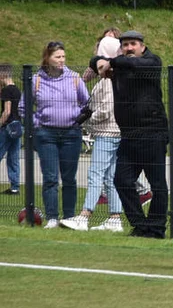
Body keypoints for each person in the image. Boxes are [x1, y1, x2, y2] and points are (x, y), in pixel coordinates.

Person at [92, 30, 169, 238]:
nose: (129, 48)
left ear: (142, 46)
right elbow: (94, 60)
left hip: (153, 132)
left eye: (133, 44)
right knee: (122, 180)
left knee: (158, 184)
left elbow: (136, 64)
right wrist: (100, 62)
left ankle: (156, 228)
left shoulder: (152, 61)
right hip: (128, 135)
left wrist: (112, 62)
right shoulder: (120, 64)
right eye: (125, 45)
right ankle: (140, 225)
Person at [20, 41, 89, 228]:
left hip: (71, 135)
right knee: (50, 178)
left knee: (69, 178)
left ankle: (68, 217)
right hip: (46, 135)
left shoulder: (74, 78)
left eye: (63, 57)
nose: (61, 60)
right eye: (57, 57)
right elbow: (23, 107)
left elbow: (86, 103)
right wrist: (37, 124)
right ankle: (51, 217)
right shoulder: (36, 80)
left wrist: (78, 120)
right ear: (47, 58)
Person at [59, 68, 125, 232]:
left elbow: (106, 110)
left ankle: (85, 215)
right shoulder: (115, 78)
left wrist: (88, 122)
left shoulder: (107, 81)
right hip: (116, 131)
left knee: (95, 174)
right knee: (110, 177)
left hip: (107, 132)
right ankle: (115, 219)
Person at [0, 64, 21, 195]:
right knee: (13, 157)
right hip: (17, 126)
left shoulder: (6, 91)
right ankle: (15, 187)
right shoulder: (17, 90)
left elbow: (7, 111)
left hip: (7, 127)